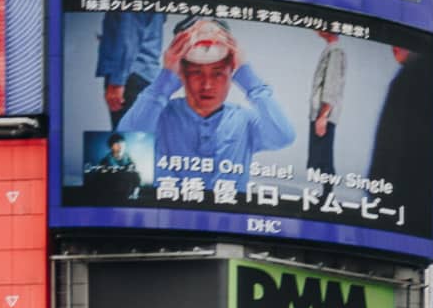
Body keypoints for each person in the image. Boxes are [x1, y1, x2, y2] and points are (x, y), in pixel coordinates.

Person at [120, 17, 295, 197]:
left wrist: (248, 76)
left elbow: (283, 136)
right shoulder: (160, 116)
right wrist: (165, 78)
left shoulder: (244, 120)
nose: (207, 85)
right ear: (182, 74)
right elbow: (127, 135)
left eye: (218, 73)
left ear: (231, 73)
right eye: (196, 72)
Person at [305, 29, 346, 181]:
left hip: (324, 114)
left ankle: (327, 196)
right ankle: (326, 196)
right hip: (321, 113)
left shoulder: (335, 51)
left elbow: (331, 84)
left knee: (324, 157)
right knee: (322, 156)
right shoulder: (332, 50)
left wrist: (323, 116)